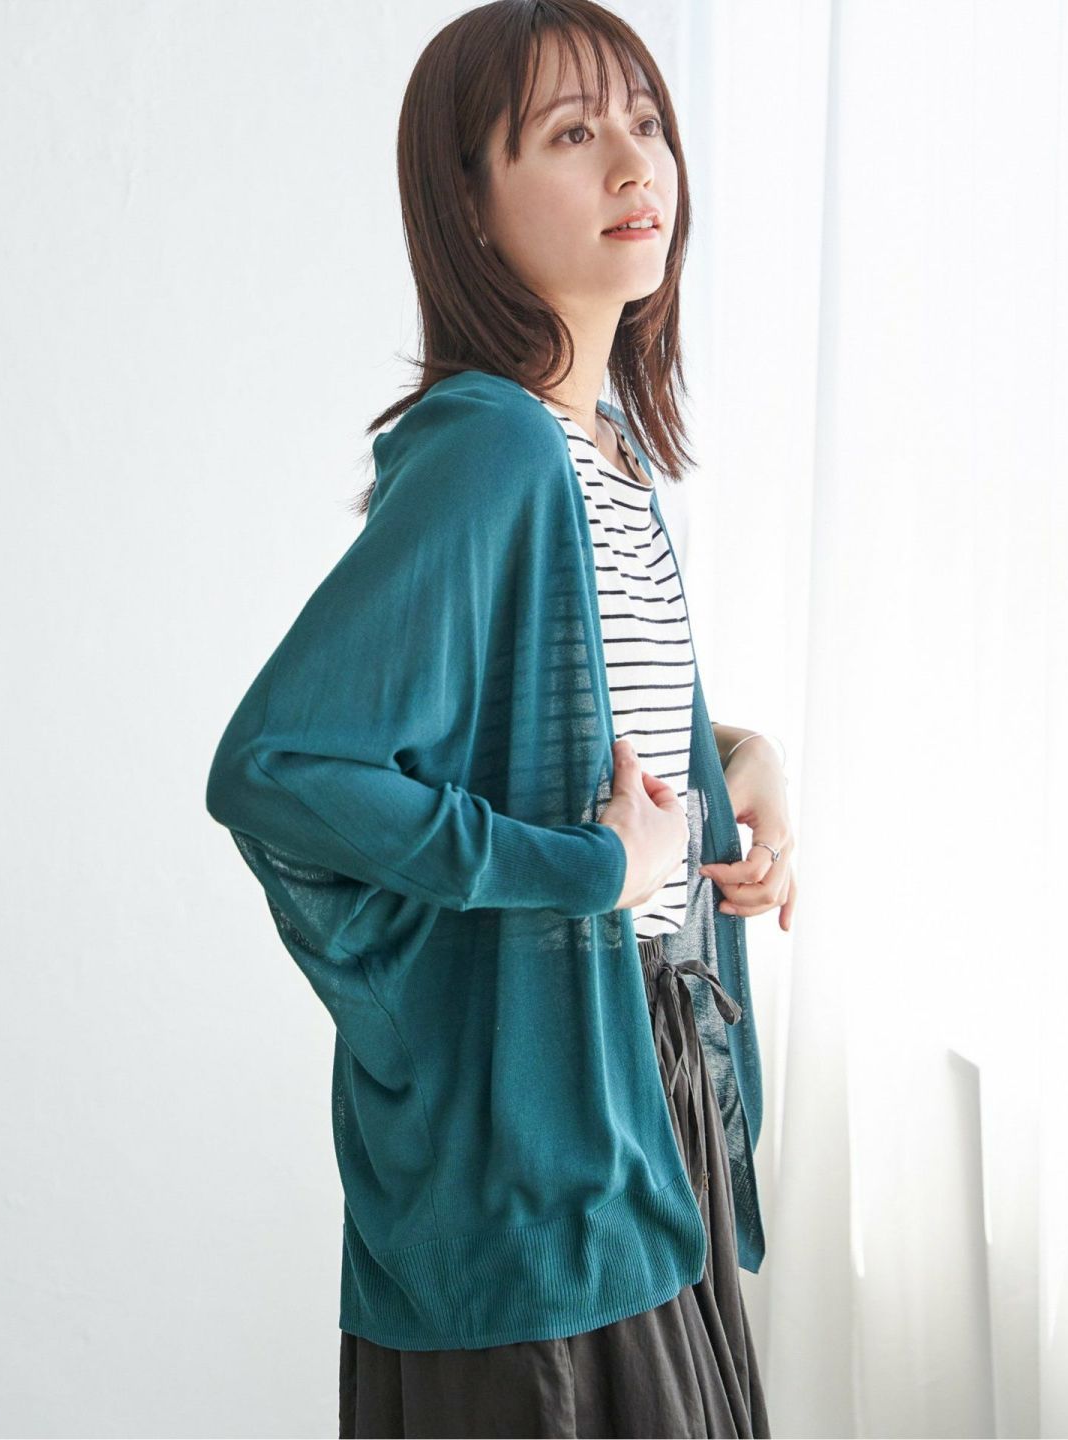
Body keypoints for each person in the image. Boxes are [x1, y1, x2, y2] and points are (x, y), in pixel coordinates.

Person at [206, 1, 796, 1434]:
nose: (632, 165)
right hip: (541, 1128)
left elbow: (570, 735)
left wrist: (744, 762)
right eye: (571, 134)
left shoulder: (605, 454)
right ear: (468, 207)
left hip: (642, 1086)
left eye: (644, 122)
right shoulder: (497, 447)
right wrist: (592, 869)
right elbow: (282, 769)